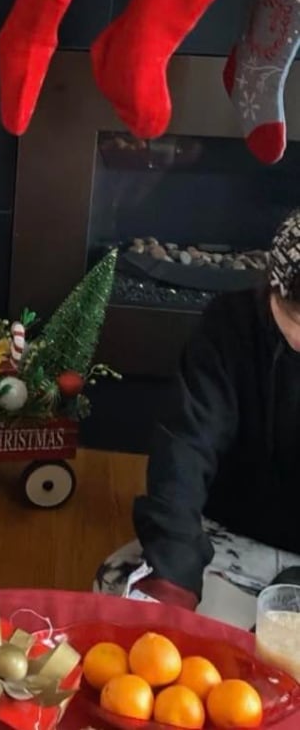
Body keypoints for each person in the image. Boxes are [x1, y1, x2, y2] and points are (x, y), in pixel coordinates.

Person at [95, 208, 300, 623]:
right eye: (296, 319)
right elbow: (185, 445)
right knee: (118, 597)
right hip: (227, 531)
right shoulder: (230, 325)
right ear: (271, 290)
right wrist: (174, 577)